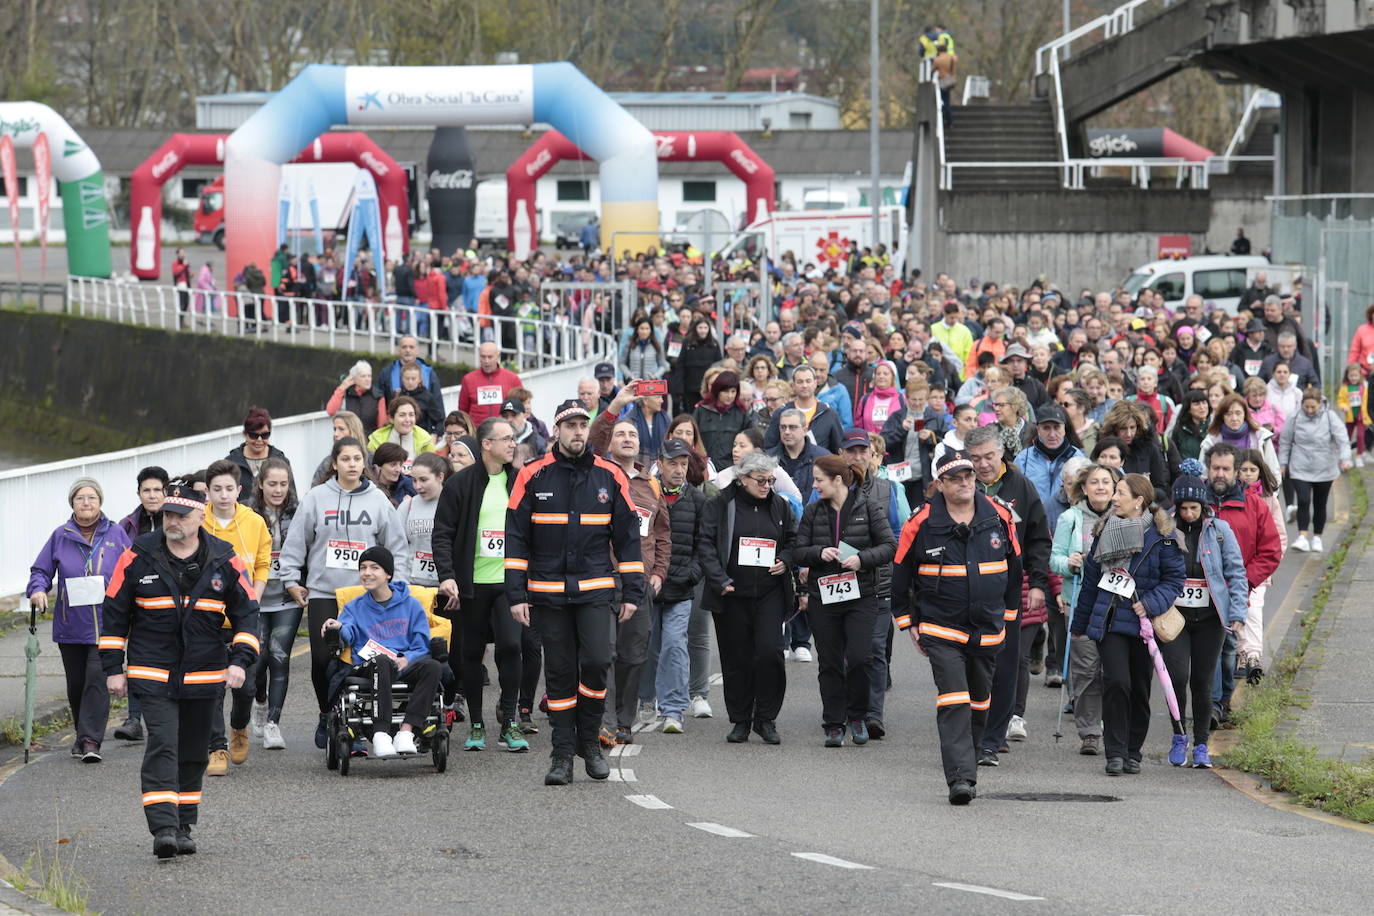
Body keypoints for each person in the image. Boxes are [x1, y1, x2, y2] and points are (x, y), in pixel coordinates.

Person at [101, 482, 259, 858]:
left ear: (200, 517)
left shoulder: (225, 558)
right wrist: (113, 668)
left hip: (205, 674)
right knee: (163, 742)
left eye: (180, 515)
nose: (171, 521)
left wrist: (239, 661)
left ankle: (185, 823)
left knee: (193, 751)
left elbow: (248, 615)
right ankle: (164, 828)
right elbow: (114, 614)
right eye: (167, 514)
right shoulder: (136, 556)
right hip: (152, 670)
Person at [505, 399, 645, 786]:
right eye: (570, 425)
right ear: (557, 431)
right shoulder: (532, 475)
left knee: (599, 661)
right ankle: (563, 754)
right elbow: (515, 538)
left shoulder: (610, 475)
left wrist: (633, 592)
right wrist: (516, 595)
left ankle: (589, 740)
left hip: (596, 590)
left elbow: (629, 539)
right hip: (547, 593)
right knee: (561, 674)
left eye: (583, 424)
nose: (578, 431)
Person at [891, 450, 1021, 805]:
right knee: (954, 698)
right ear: (939, 484)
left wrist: (1009, 617)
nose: (964, 482)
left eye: (968, 475)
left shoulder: (1000, 516)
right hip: (941, 626)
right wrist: (907, 622)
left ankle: (970, 760)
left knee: (980, 701)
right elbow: (900, 574)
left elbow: (1014, 572)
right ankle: (960, 778)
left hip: (988, 627)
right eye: (955, 477)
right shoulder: (920, 523)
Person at [277, 437, 408, 752]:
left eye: (357, 459)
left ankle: (358, 725)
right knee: (323, 658)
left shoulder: (378, 500)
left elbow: (397, 547)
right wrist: (291, 579)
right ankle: (328, 714)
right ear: (334, 463)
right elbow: (296, 542)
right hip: (325, 592)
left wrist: (397, 585)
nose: (352, 464)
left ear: (365, 464)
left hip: (368, 595)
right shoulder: (316, 499)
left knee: (362, 658)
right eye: (345, 459)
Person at [1072, 473, 1185, 776]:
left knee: (1138, 688)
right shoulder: (1104, 529)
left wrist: (1149, 604)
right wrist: (1080, 625)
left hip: (1143, 625)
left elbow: (1174, 580)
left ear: (1139, 501)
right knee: (1116, 682)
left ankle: (1133, 750)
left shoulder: (1164, 536)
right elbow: (1091, 582)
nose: (1113, 498)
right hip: (1110, 621)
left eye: (1120, 493)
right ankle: (1115, 751)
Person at [793, 454, 896, 746]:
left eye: (819, 480)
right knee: (830, 662)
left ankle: (858, 716)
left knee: (862, 658)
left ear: (837, 480)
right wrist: (818, 553)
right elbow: (798, 551)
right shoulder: (813, 512)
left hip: (861, 595)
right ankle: (834, 723)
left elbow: (889, 546)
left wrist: (862, 559)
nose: (814, 486)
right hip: (823, 595)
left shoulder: (869, 507)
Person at [28, 477, 132, 762]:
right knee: (76, 684)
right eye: (80, 498)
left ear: (100, 502)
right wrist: (38, 590)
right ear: (72, 503)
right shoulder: (60, 535)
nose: (86, 503)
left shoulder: (117, 534)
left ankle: (90, 741)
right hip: (71, 623)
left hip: (108, 624)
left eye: (92, 498)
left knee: (97, 679)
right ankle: (81, 734)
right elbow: (40, 570)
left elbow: (133, 568)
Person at [964, 425, 1051, 762]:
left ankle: (992, 738)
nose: (983, 464)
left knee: (1006, 662)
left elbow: (1039, 538)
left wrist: (1039, 584)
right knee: (973, 663)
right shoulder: (961, 482)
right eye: (975, 458)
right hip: (967, 589)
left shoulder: (1021, 486)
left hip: (1009, 589)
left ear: (1001, 453)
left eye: (988, 456)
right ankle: (973, 728)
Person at [698, 451, 797, 745]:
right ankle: (741, 719)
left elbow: (793, 539)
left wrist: (785, 559)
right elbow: (706, 543)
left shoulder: (780, 506)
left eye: (770, 480)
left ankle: (765, 718)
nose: (767, 485)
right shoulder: (721, 504)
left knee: (769, 653)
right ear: (743, 479)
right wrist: (719, 579)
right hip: (731, 594)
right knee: (736, 658)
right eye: (761, 480)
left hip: (769, 593)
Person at [321, 547, 443, 759]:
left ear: (388, 574)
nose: (366, 573)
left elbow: (422, 644)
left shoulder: (412, 606)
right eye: (363, 568)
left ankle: (406, 732)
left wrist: (407, 659)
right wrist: (337, 627)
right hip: (371, 666)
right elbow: (348, 634)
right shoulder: (353, 607)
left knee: (433, 666)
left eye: (374, 568)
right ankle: (381, 733)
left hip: (403, 663)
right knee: (381, 661)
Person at [1164, 473, 1249, 769]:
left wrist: (1237, 613)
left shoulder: (1220, 531)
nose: (1188, 514)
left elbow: (1237, 573)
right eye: (1184, 508)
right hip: (1174, 618)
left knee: (1202, 681)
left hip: (1210, 618)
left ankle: (1201, 744)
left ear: (1203, 507)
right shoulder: (1164, 529)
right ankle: (1178, 736)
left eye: (1194, 508)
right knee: (1176, 678)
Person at [599, 419, 671, 744]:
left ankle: (624, 721)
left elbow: (663, 534)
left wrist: (658, 573)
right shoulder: (598, 476)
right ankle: (604, 721)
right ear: (609, 443)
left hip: (639, 583)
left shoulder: (651, 485)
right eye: (620, 434)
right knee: (605, 652)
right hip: (601, 579)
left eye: (632, 434)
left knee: (633, 654)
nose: (627, 439)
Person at [201, 459, 272, 776]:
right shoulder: (198, 521)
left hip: (244, 614)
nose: (224, 495)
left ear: (239, 490)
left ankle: (239, 727)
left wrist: (254, 595)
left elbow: (262, 562)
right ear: (208, 491)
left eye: (229, 488)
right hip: (207, 617)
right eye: (217, 489)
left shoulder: (254, 522)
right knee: (213, 686)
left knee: (246, 685)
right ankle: (216, 748)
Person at [1204, 442, 1282, 727]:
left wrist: (1244, 582)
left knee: (1227, 651)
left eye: (1226, 469)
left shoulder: (1256, 506)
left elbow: (1271, 550)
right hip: (1202, 593)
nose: (1220, 474)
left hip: (1237, 592)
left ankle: (1223, 699)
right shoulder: (1196, 503)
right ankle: (1211, 705)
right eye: (1215, 468)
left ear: (1237, 472)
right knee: (1209, 652)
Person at [638, 438, 708, 732]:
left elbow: (705, 547)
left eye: (683, 464)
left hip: (681, 588)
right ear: (660, 463)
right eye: (673, 464)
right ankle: (645, 700)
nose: (679, 470)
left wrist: (690, 575)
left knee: (674, 645)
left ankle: (674, 710)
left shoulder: (698, 500)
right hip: (648, 587)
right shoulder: (644, 493)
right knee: (646, 647)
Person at [1051, 462, 1119, 755]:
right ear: (1084, 488)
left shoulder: (1126, 517)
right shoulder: (1070, 518)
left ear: (1116, 487)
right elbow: (1054, 560)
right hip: (1080, 603)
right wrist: (1069, 562)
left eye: (1106, 481)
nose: (1101, 487)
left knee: (1113, 671)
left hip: (1118, 606)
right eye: (1095, 482)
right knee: (1086, 670)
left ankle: (1114, 725)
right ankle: (1090, 732)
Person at [246, 458, 298, 750]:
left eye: (283, 484)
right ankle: (260, 702)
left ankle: (273, 724)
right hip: (254, 597)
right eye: (272, 484)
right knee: (258, 660)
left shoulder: (298, 512)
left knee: (279, 658)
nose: (278, 490)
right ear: (261, 485)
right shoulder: (248, 513)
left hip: (287, 597)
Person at [1280, 387, 1352, 553]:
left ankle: (1317, 537)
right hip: (1300, 466)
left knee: (1320, 503)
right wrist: (1283, 463)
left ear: (1321, 404)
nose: (1310, 410)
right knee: (1303, 500)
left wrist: (1345, 458)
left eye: (1313, 407)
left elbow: (1342, 439)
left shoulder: (1329, 416)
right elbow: (1285, 441)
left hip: (1324, 467)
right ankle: (1302, 536)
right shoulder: (1295, 417)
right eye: (1307, 407)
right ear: (1302, 405)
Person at [762, 365, 844, 454]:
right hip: (788, 465)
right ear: (793, 385)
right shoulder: (781, 412)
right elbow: (770, 447)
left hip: (819, 464)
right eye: (800, 382)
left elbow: (838, 449)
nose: (804, 385)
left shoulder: (828, 413)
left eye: (808, 381)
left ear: (815, 383)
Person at [1201, 393, 1280, 482]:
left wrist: (1270, 494)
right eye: (1228, 414)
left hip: (1258, 493)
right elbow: (1203, 474)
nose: (1234, 418)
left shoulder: (1261, 436)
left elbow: (1273, 471)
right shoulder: (1211, 440)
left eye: (1238, 413)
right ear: (1222, 417)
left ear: (1245, 414)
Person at [225, 406, 291, 503]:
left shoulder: (282, 461)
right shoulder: (230, 463)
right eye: (254, 435)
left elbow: (291, 498)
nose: (259, 440)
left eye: (265, 435)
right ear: (245, 434)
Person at [693, 370, 750, 473]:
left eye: (733, 391)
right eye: (726, 391)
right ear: (717, 391)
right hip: (705, 468)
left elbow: (750, 440)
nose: (730, 396)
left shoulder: (741, 413)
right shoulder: (701, 410)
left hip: (732, 469)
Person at [458, 341, 523, 425]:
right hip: (478, 432)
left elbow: (522, 406)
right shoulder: (468, 379)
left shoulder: (512, 378)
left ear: (498, 357)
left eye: (490, 357)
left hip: (504, 430)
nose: (486, 361)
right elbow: (463, 411)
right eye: (483, 357)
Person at [669, 315, 722, 412]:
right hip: (690, 388)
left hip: (709, 388)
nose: (703, 330)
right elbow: (680, 366)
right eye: (700, 328)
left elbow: (719, 365)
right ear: (695, 329)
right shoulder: (687, 343)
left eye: (705, 328)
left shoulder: (714, 344)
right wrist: (679, 388)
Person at [383, 335, 445, 414]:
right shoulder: (387, 373)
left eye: (411, 347)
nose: (408, 350)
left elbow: (438, 406)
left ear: (417, 350)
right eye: (404, 347)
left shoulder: (429, 373)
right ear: (399, 350)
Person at [327, 360, 387, 436]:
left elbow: (382, 426)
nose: (367, 379)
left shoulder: (378, 396)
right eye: (363, 376)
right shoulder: (346, 393)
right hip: (348, 439)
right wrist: (342, 387)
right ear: (354, 379)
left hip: (369, 442)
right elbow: (331, 411)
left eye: (369, 376)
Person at [367, 395, 437, 459]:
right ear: (391, 418)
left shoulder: (425, 440)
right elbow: (370, 468)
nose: (407, 420)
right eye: (402, 415)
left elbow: (434, 467)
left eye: (411, 415)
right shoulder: (376, 441)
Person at [391, 362, 445, 436]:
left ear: (419, 379)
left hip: (421, 438)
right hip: (400, 437)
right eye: (407, 378)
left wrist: (435, 434)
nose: (410, 382)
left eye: (413, 378)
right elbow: (391, 419)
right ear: (402, 379)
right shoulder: (397, 395)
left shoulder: (427, 397)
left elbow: (440, 421)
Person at [1334, 362, 1370, 469]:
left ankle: (1359, 456)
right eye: (1351, 376)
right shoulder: (1345, 387)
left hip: (1361, 416)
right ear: (1347, 376)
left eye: (1355, 376)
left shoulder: (1364, 387)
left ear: (1360, 375)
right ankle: (1346, 457)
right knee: (1346, 437)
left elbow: (1367, 400)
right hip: (1349, 416)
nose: (1353, 378)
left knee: (1360, 436)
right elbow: (1340, 400)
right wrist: (1343, 406)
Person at [119, 466, 168, 541]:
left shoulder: (176, 522)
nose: (152, 496)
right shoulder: (126, 525)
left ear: (166, 492)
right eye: (146, 490)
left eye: (157, 490)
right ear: (139, 494)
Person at [620, 315, 668, 383]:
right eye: (641, 328)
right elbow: (622, 363)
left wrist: (655, 376)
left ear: (651, 330)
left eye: (647, 328)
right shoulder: (630, 344)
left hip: (651, 385)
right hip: (634, 384)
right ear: (637, 330)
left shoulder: (656, 345)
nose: (644, 332)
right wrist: (630, 375)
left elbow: (663, 365)